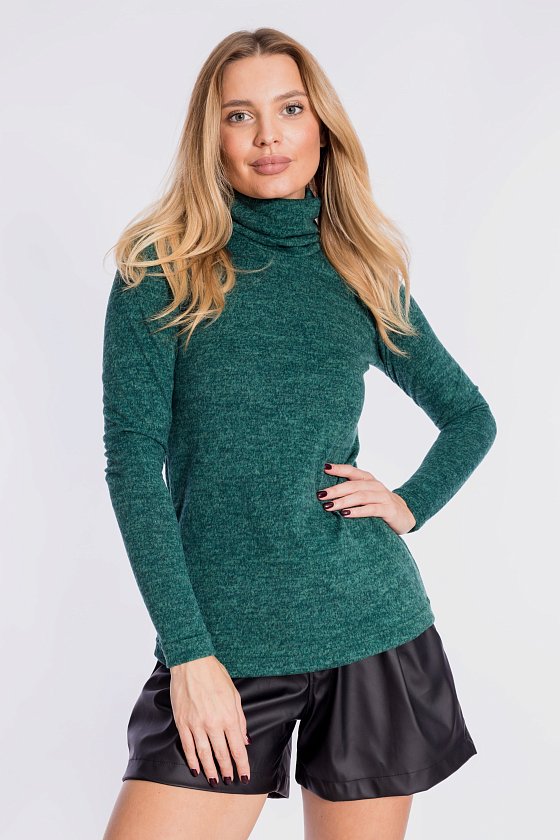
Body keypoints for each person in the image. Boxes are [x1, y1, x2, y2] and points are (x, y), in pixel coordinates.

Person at [100, 27, 497, 840]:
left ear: (321, 126)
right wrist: (188, 653)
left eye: (289, 109)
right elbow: (133, 467)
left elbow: (470, 416)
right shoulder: (160, 266)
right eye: (238, 115)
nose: (267, 136)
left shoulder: (358, 269)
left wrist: (410, 503)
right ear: (211, 136)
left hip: (371, 629)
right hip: (223, 645)